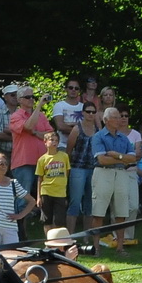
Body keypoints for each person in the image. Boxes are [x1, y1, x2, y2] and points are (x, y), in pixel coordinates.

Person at [89, 106, 140, 253]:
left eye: (119, 117)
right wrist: (122, 159)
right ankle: (96, 247)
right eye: (115, 117)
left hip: (121, 174)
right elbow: (102, 160)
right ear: (106, 120)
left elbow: (132, 159)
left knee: (121, 212)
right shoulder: (98, 137)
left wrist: (116, 155)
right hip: (103, 173)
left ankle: (120, 247)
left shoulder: (123, 138)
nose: (119, 120)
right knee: (98, 211)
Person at [65, 100, 100, 234]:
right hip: (77, 168)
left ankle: (86, 236)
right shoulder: (76, 129)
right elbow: (69, 151)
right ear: (83, 113)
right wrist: (68, 171)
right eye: (88, 111)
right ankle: (70, 235)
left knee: (89, 204)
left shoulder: (97, 130)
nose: (91, 114)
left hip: (93, 169)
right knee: (75, 201)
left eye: (93, 112)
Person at [35, 130, 69, 229]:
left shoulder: (64, 156)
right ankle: (49, 243)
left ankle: (57, 241)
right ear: (45, 142)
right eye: (51, 140)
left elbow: (67, 173)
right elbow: (40, 178)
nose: (54, 142)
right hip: (46, 191)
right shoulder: (42, 159)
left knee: (59, 221)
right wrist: (38, 197)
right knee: (47, 220)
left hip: (60, 192)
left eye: (56, 140)